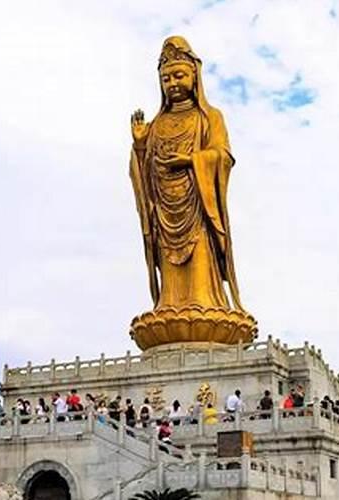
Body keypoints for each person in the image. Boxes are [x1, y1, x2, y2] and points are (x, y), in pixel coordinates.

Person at [129, 36, 247, 315]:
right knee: (169, 296)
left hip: (198, 209)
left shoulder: (209, 117)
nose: (173, 84)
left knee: (200, 267)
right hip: (165, 212)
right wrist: (141, 145)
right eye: (166, 79)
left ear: (195, 76)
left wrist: (193, 161)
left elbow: (223, 156)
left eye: (179, 75)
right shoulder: (156, 124)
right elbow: (144, 173)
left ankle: (206, 302)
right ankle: (169, 304)